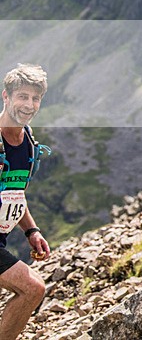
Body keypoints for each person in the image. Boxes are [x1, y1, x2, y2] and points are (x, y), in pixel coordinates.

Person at [0, 64, 50, 339]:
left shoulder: (28, 142)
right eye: (22, 96)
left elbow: (14, 193)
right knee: (32, 288)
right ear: (6, 97)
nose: (28, 105)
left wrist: (31, 230)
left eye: (35, 98)